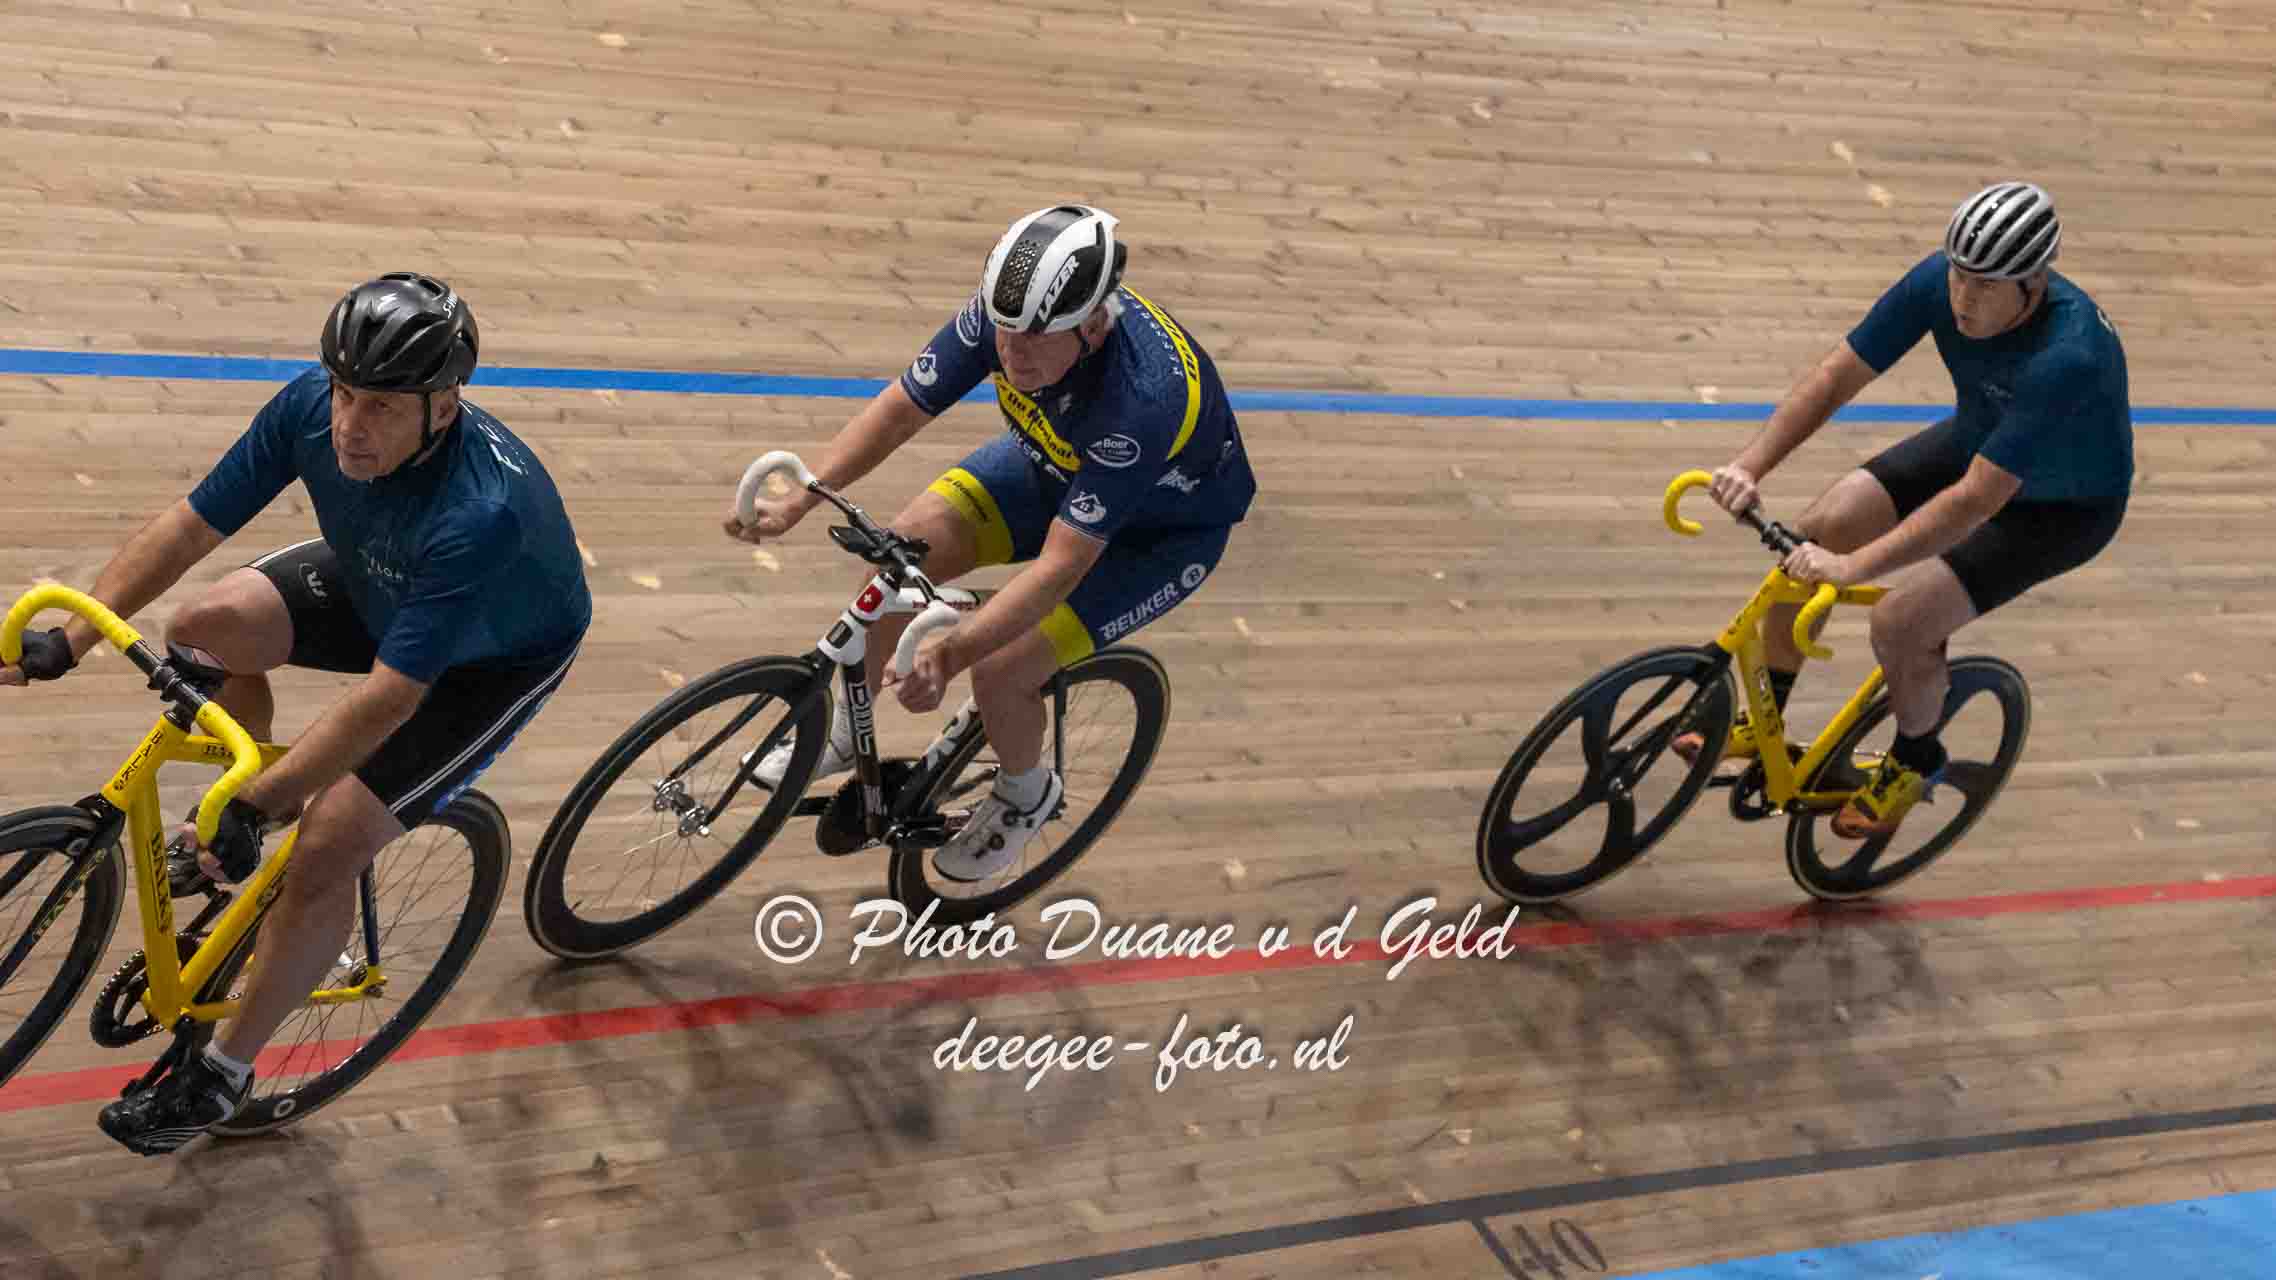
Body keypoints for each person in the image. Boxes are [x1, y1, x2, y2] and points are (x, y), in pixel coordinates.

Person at [4, 273, 592, 1154]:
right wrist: (73, 638)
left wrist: (261, 803)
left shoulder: (482, 514)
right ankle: (240, 825)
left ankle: (221, 1075)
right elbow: (189, 527)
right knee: (202, 629)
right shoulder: (309, 409)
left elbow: (392, 697)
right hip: (386, 576)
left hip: (489, 657)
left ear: (444, 407)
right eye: (345, 392)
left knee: (329, 842)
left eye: (382, 406)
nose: (350, 422)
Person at [726, 204, 1256, 880]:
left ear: (1094, 326)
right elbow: (899, 409)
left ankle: (1026, 793)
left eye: (1034, 337)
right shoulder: (1005, 317)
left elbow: (1061, 566)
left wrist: (950, 656)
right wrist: (803, 495)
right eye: (1005, 331)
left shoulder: (1140, 402)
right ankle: (842, 735)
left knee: (1002, 668)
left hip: (1158, 535)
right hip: (1053, 463)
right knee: (900, 556)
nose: (1012, 352)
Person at [1677, 181, 2131, 838]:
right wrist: (1751, 464)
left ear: (2032, 283)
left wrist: (1851, 568)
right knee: (1816, 531)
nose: (1963, 297)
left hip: (2062, 510)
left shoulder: (2069, 356)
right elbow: (1837, 376)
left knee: (1901, 621)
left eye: (1985, 286)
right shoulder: (1938, 282)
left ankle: (1915, 760)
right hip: (1984, 437)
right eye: (1958, 275)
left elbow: (1975, 498)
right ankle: (1762, 721)